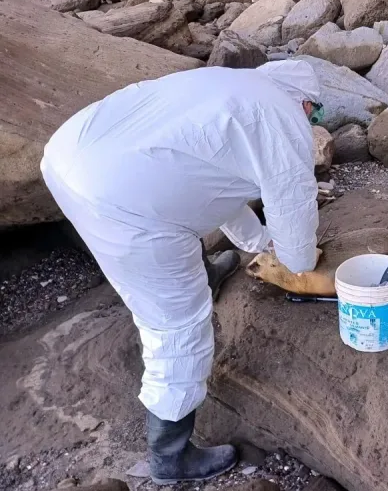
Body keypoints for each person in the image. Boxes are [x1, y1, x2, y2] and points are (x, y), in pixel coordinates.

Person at [40, 60, 323, 483]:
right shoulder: (286, 121)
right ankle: (170, 458)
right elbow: (296, 232)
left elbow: (212, 176)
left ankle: (199, 273)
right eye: (315, 114)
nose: (313, 122)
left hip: (68, 155)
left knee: (173, 213)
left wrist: (257, 242)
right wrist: (299, 262)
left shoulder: (235, 86)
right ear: (304, 102)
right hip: (124, 200)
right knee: (176, 326)